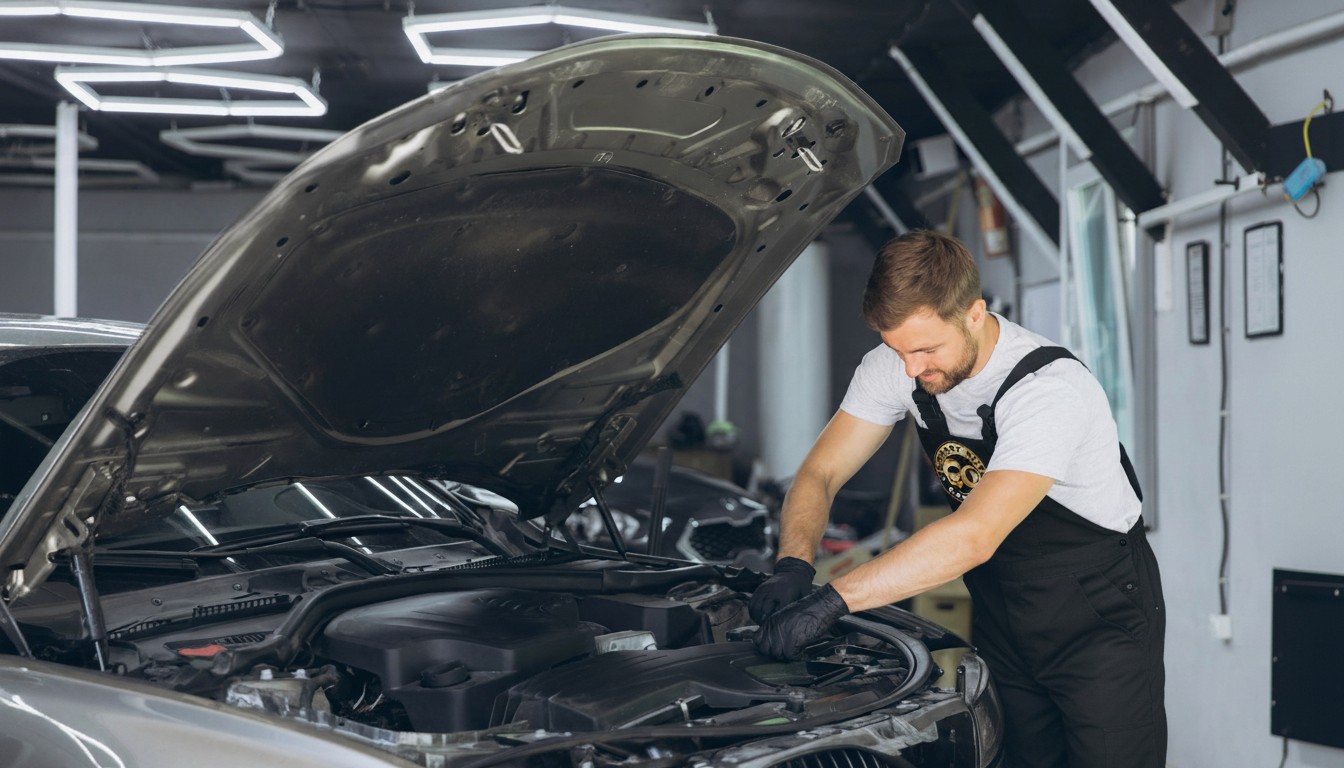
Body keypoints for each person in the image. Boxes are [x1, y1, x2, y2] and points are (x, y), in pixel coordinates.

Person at [749, 230, 1166, 767]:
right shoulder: (898, 365)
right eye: (897, 348)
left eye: (926, 349)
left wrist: (834, 600)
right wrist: (794, 562)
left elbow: (975, 536)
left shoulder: (1047, 390)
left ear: (974, 313)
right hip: (1003, 612)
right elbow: (821, 471)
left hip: (1097, 618)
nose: (911, 370)